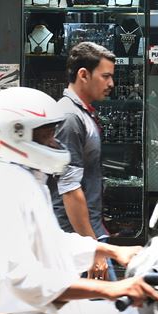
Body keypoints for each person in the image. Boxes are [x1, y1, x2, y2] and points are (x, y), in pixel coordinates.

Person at [0, 86, 158, 314]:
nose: (54, 141)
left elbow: (51, 243)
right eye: (46, 133)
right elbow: (24, 277)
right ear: (15, 134)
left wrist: (110, 251)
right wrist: (111, 289)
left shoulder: (25, 181)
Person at [53, 42, 115, 280]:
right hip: (76, 240)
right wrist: (92, 251)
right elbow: (69, 189)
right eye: (106, 76)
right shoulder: (69, 117)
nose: (111, 84)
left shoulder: (82, 113)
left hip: (87, 233)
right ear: (83, 74)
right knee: (106, 310)